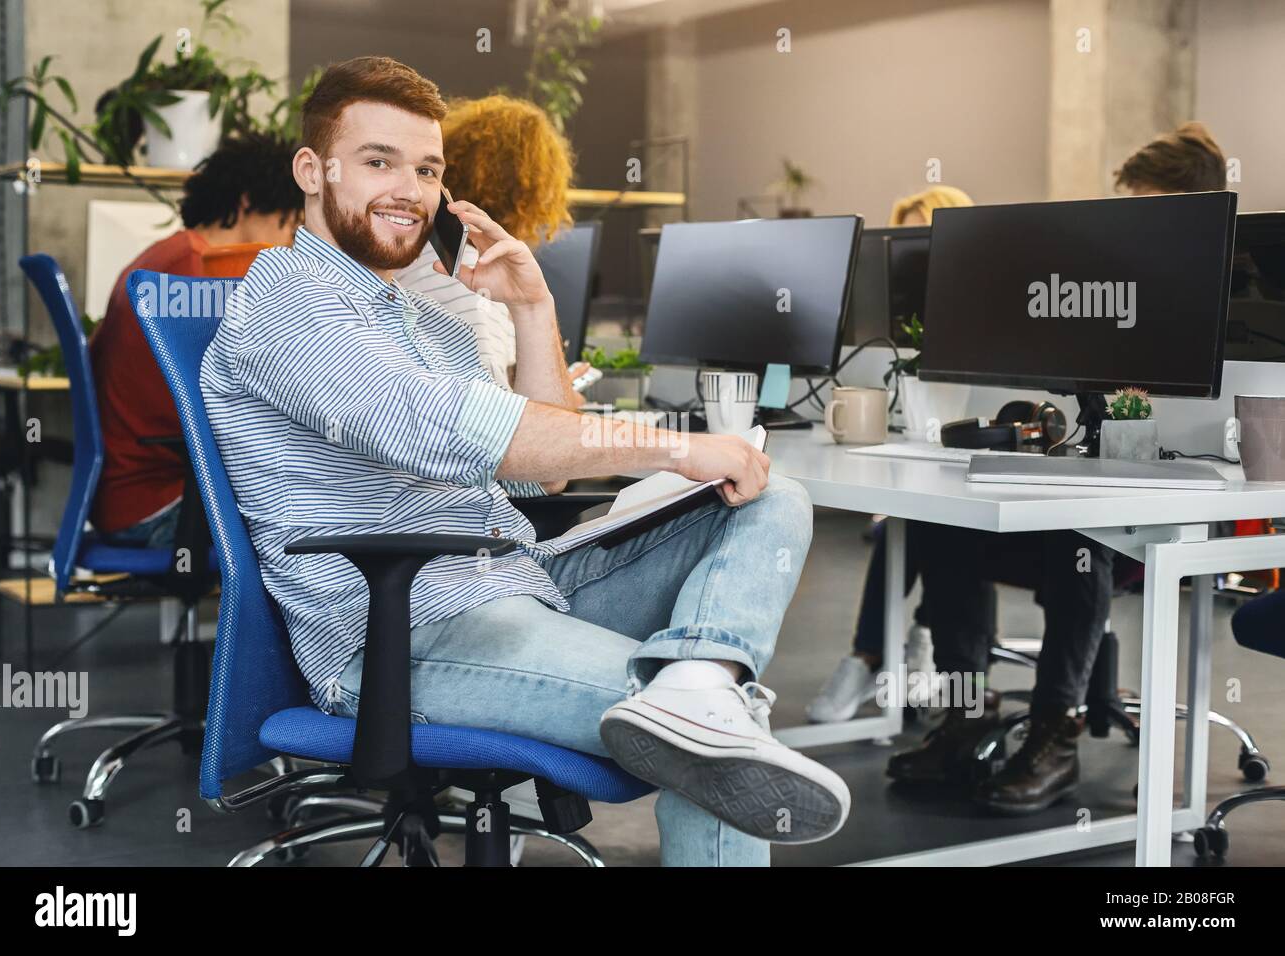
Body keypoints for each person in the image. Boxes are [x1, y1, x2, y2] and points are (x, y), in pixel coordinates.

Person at [200, 56, 850, 866]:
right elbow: (476, 430)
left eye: (427, 169)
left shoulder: (421, 317)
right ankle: (696, 699)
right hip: (402, 631)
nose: (409, 187)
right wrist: (676, 446)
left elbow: (536, 475)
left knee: (767, 497)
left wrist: (533, 307)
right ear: (311, 169)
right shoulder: (288, 308)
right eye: (378, 162)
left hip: (523, 582)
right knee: (711, 736)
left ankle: (697, 682)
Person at [882, 122, 1230, 816]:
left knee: (1080, 536)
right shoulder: (1101, 274)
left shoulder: (1210, 292)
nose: (1126, 222)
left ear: (1190, 210)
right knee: (940, 516)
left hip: (1151, 517)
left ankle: (1054, 733)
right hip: (1081, 475)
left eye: (1143, 205)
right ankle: (969, 711)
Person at [807, 185, 981, 724]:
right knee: (902, 523)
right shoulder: (896, 336)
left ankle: (892, 649)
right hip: (922, 449)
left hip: (980, 461)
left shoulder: (988, 315)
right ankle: (890, 651)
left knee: (930, 525)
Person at [90, 132, 301, 548]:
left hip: (129, 497)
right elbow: (237, 405)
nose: (293, 238)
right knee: (326, 531)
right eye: (291, 220)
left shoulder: (166, 258)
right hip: (160, 503)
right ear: (246, 204)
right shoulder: (195, 273)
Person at [394, 94, 587, 403]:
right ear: (531, 193)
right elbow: (510, 438)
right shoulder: (469, 279)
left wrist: (525, 378)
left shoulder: (423, 256)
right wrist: (561, 400)